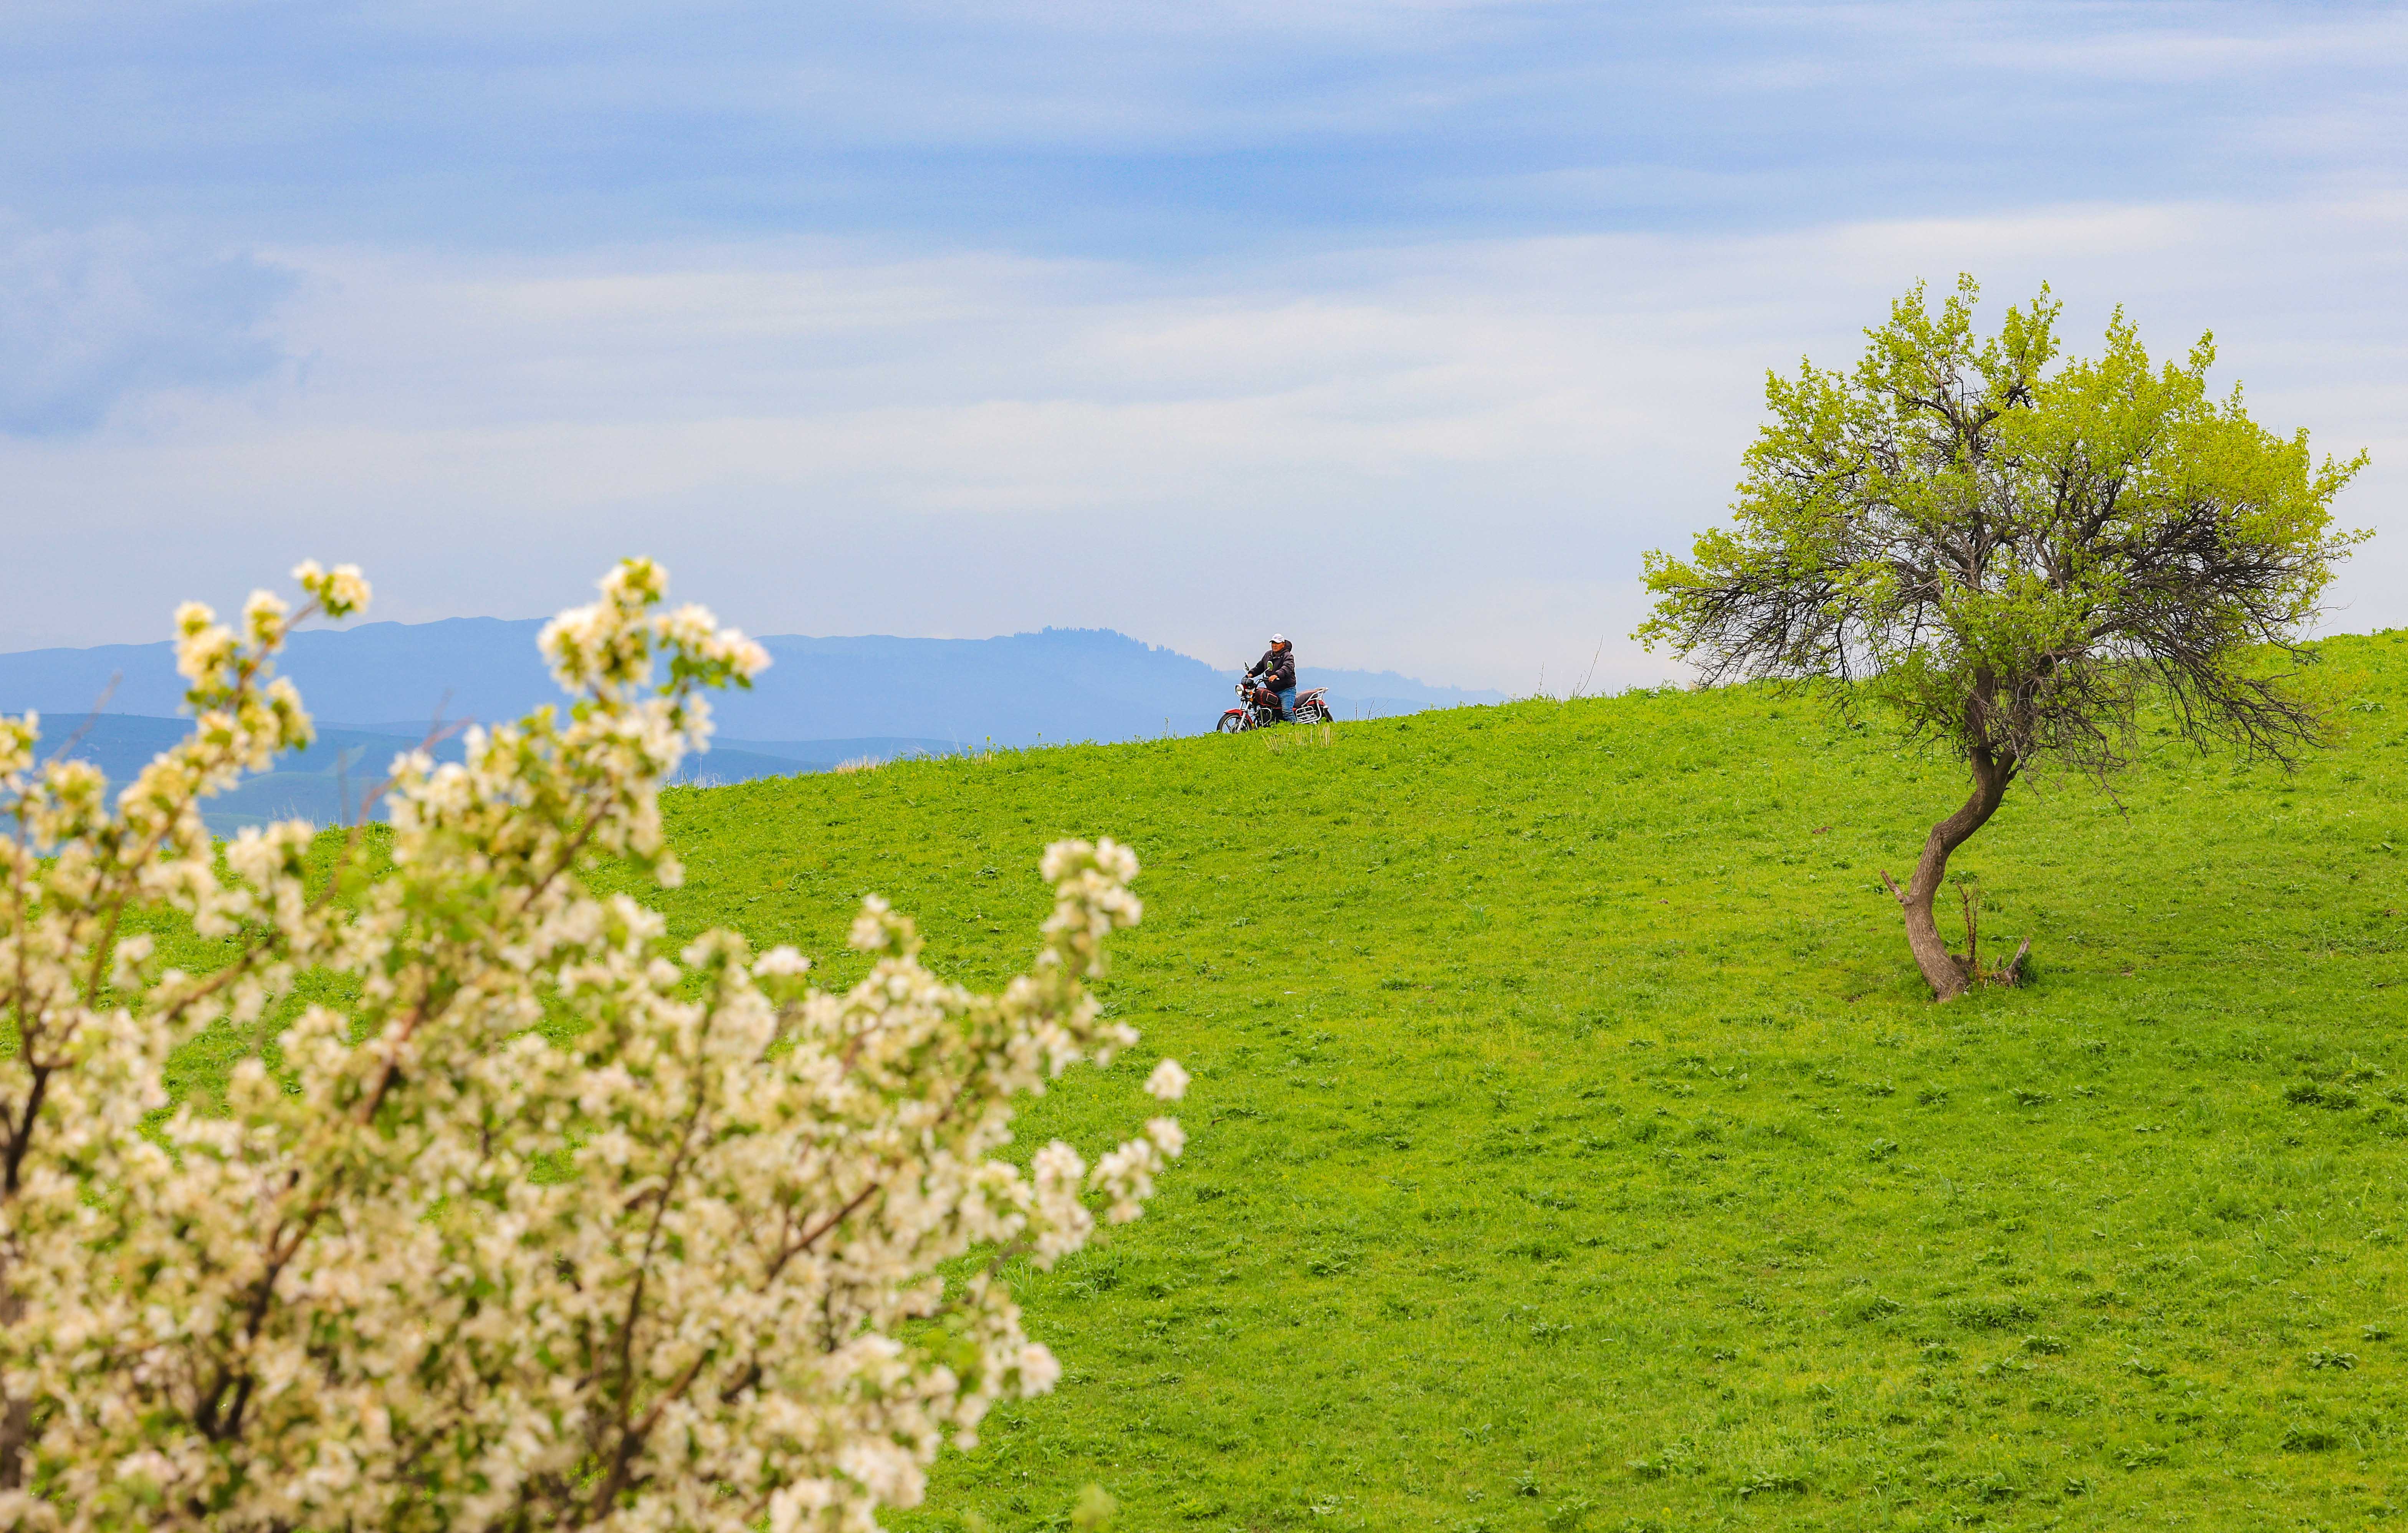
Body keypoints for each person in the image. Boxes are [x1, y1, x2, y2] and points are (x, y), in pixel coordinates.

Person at [1247, 634, 1297, 721]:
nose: (1274, 645)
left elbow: (1287, 668)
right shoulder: (1268, 655)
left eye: (1277, 643)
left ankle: (1296, 729)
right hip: (1272, 690)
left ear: (1283, 644)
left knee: (1287, 711)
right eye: (1273, 643)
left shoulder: (1288, 656)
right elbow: (1260, 667)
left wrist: (1276, 675)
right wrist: (1251, 673)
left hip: (1286, 690)